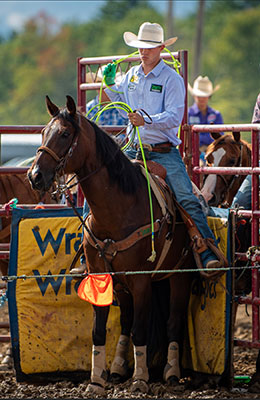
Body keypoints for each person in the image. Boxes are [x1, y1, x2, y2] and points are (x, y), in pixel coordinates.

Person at [71, 22, 224, 274]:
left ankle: (206, 250)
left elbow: (175, 116)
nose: (144, 51)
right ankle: (87, 254)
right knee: (95, 189)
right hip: (132, 148)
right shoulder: (131, 76)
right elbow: (119, 97)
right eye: (141, 47)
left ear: (161, 48)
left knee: (186, 197)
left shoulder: (171, 79)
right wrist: (109, 82)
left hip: (163, 152)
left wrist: (147, 119)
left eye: (150, 47)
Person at [188, 76, 224, 165]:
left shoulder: (216, 115)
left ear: (209, 96)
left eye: (204, 96)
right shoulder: (188, 114)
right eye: (199, 96)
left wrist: (199, 137)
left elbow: (221, 136)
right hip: (192, 153)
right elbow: (187, 137)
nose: (202, 99)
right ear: (194, 96)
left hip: (213, 152)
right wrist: (209, 138)